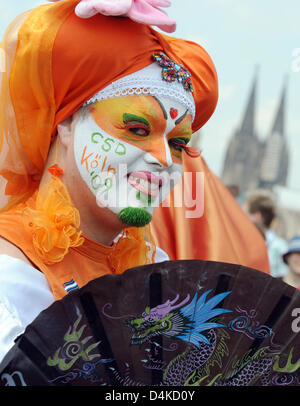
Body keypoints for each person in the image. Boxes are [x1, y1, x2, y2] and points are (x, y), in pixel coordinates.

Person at [0, 0, 269, 365]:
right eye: (137, 129)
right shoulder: (10, 274)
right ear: (64, 124)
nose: (162, 158)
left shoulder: (157, 270)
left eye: (177, 144)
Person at [244, 190, 288, 278]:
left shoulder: (279, 248)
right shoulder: (282, 246)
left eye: (245, 213)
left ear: (257, 216)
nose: (241, 217)